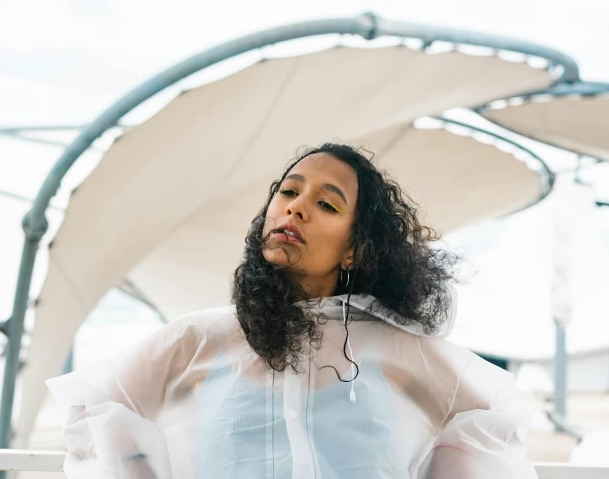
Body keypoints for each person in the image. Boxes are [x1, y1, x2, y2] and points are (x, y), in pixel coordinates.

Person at [47, 143, 537, 478]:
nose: (296, 208)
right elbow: (90, 406)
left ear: (356, 250)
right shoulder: (198, 339)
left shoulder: (399, 349)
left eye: (327, 204)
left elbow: (495, 418)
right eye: (288, 191)